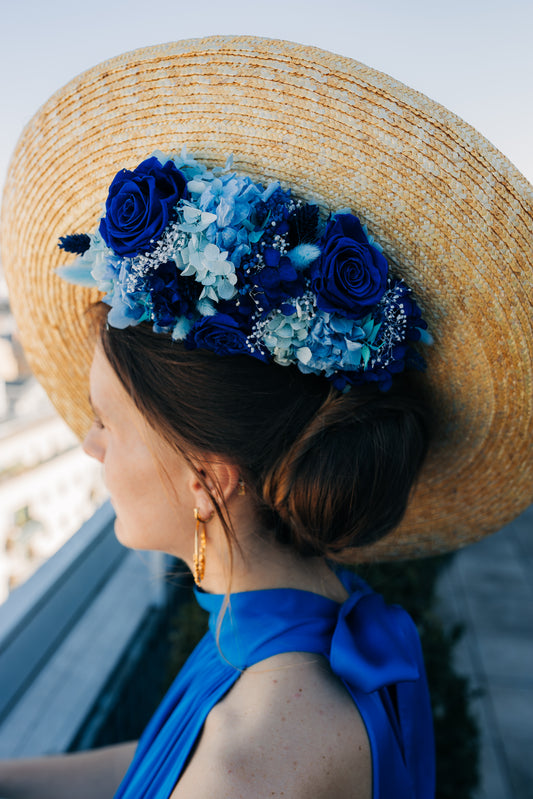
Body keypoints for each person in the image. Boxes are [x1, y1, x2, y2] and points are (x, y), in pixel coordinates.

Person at [1, 36, 532, 799]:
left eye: (105, 422)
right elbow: (163, 751)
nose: (87, 445)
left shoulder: (247, 765)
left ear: (205, 477)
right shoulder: (288, 623)